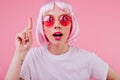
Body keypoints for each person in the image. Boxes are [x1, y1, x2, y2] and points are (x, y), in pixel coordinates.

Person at [5, 0, 120, 80]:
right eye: (49, 19)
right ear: (42, 26)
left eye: (64, 19)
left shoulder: (88, 59)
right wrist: (20, 52)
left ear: (72, 25)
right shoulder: (32, 57)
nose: (57, 25)